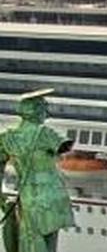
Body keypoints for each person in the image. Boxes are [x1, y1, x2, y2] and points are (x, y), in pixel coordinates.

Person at [1, 89, 75, 252]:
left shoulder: (7, 138)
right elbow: (65, 146)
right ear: (35, 111)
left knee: (29, 240)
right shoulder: (47, 134)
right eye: (44, 108)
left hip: (28, 196)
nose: (47, 113)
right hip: (53, 195)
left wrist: (2, 198)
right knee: (47, 243)